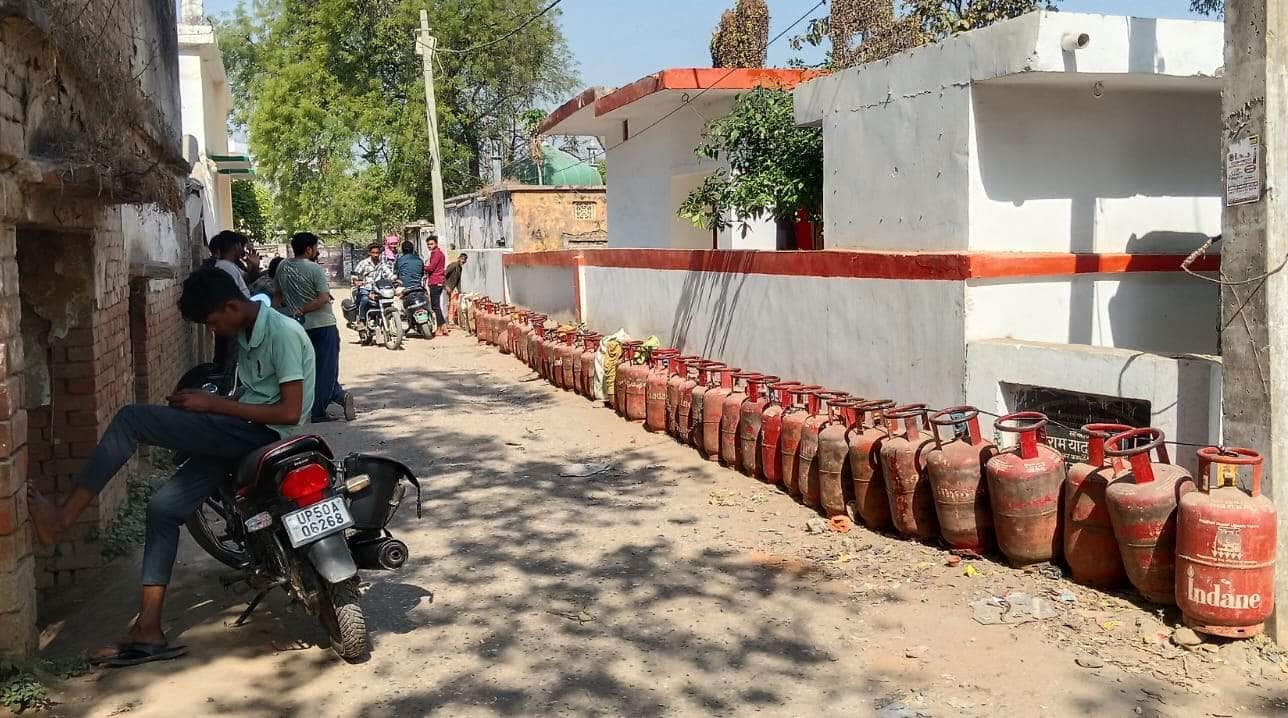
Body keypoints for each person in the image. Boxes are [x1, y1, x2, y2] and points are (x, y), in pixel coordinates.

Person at [27, 268, 314, 667]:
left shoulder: (281, 332)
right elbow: (250, 395)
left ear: (232, 306)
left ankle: (63, 519)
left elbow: (289, 410)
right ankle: (149, 629)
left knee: (131, 419)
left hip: (264, 439)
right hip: (239, 433)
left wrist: (211, 405)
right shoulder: (247, 334)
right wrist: (208, 402)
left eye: (214, 322)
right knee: (162, 508)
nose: (215, 331)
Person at [276, 232, 356, 423]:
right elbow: (321, 298)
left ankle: (336, 397)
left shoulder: (282, 266)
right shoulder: (314, 269)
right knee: (326, 368)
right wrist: (303, 309)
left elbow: (277, 296)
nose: (317, 251)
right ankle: (324, 406)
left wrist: (282, 317)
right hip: (322, 324)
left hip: (296, 328)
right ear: (309, 249)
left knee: (306, 368)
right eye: (316, 247)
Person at [351, 242, 393, 327]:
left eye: (377, 253)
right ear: (369, 253)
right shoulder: (364, 263)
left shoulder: (382, 264)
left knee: (388, 300)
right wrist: (356, 281)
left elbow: (389, 273)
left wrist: (395, 279)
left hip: (378, 289)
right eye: (373, 253)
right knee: (365, 299)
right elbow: (354, 274)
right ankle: (361, 320)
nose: (375, 255)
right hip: (365, 288)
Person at [206, 230, 251, 298]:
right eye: (240, 245)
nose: (242, 250)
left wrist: (253, 266)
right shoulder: (225, 266)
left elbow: (247, 277)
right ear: (235, 246)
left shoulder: (230, 265)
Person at [424, 236, 448, 336]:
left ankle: (440, 328)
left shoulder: (436, 254)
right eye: (428, 244)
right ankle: (443, 327)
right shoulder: (439, 253)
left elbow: (431, 268)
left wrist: (422, 267)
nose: (429, 246)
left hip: (435, 281)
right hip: (438, 281)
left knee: (435, 306)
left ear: (436, 244)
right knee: (436, 306)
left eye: (431, 244)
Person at [444, 252, 466, 327]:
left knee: (452, 304)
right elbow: (444, 274)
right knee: (446, 305)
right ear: (459, 258)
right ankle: (446, 321)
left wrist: (459, 291)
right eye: (462, 259)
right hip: (446, 288)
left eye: (464, 260)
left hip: (452, 289)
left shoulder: (460, 268)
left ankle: (450, 321)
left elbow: (458, 280)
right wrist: (446, 286)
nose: (463, 261)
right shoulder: (454, 265)